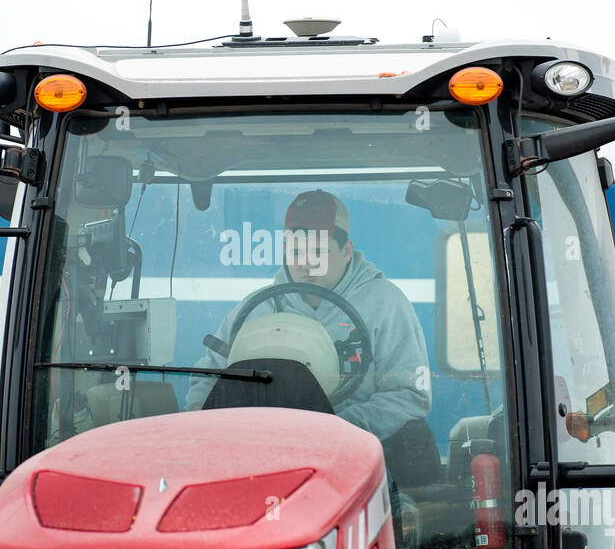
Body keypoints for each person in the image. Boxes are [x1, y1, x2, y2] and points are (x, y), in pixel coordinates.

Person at [185, 190, 433, 456]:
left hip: (359, 454)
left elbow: (409, 394)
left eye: (318, 251)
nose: (306, 264)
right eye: (296, 251)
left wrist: (337, 431)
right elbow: (209, 375)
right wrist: (201, 411)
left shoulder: (386, 304)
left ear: (346, 250)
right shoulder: (256, 309)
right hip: (265, 452)